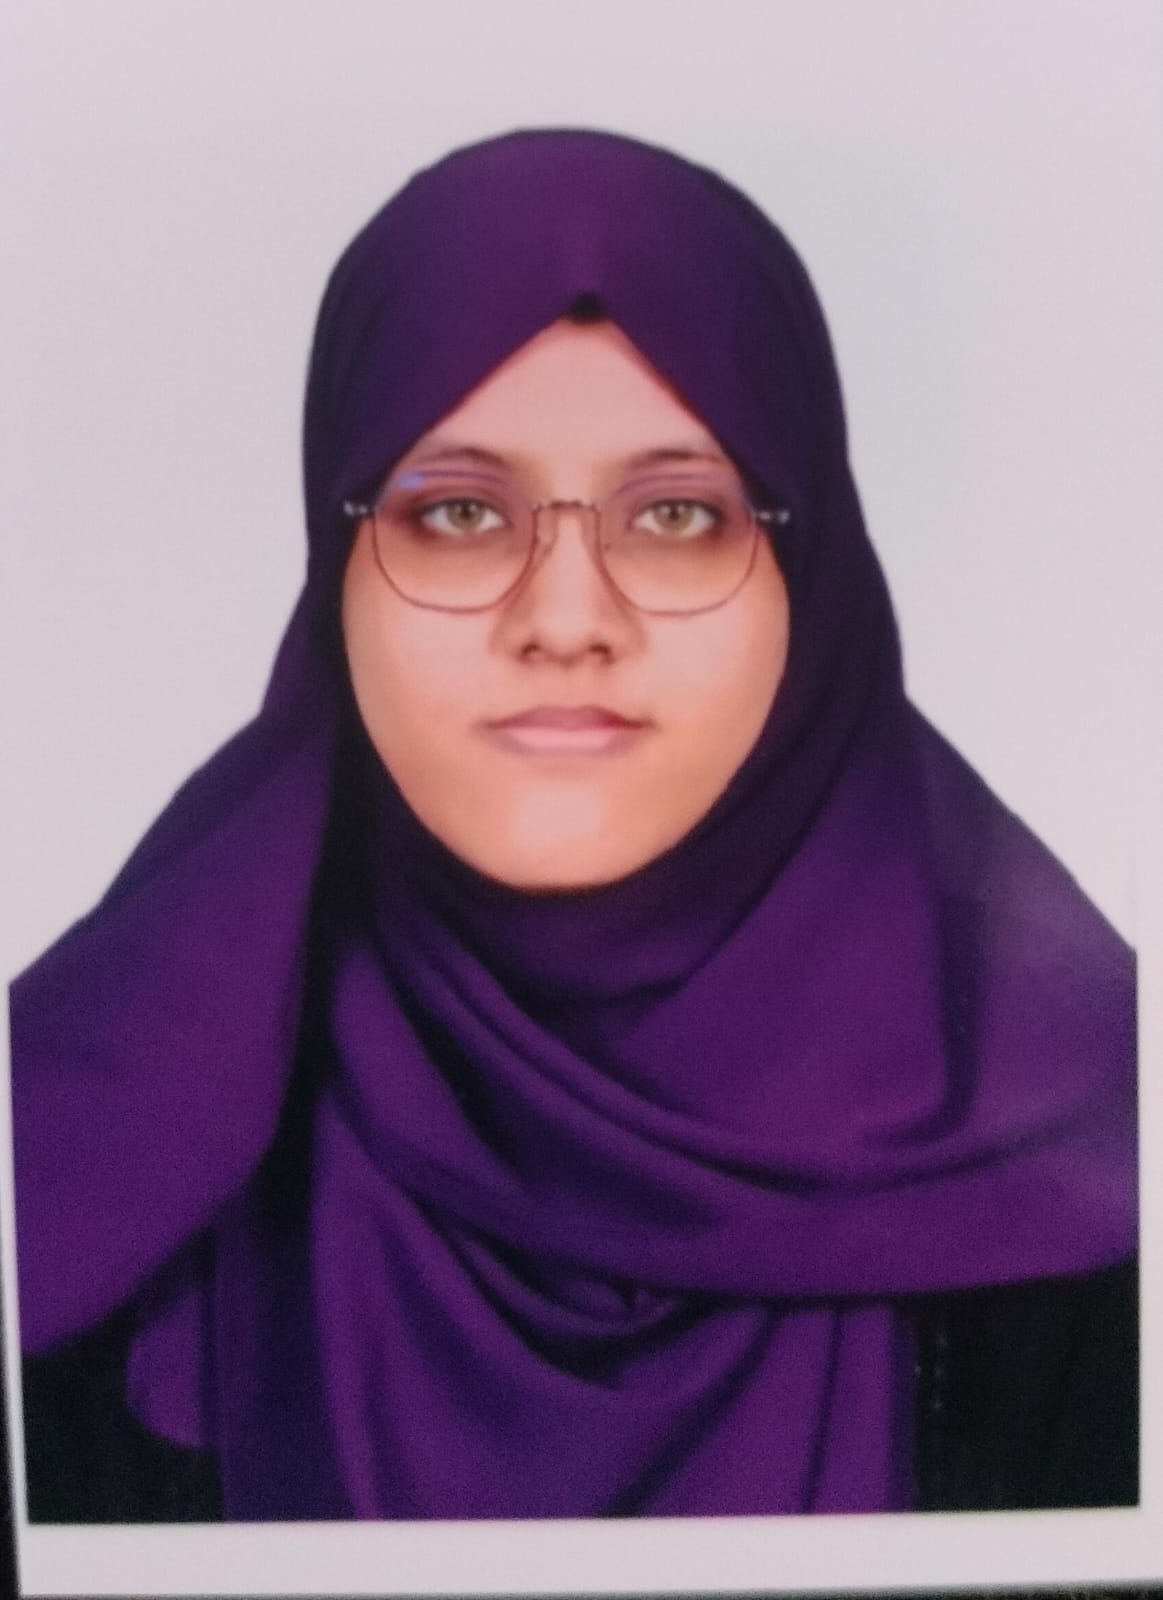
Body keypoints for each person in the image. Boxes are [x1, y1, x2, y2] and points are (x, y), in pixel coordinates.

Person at [9, 127, 1137, 1523]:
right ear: (335, 563)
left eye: (675, 516)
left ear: (810, 569)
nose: (563, 619)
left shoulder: (1084, 1150)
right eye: (456, 512)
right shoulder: (82, 1156)